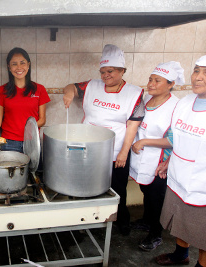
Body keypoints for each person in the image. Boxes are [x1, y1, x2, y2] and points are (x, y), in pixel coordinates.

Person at [63, 44, 144, 235]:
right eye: (102, 72)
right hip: (89, 149)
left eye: (111, 71)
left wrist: (124, 152)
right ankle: (88, 220)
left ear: (122, 70)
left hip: (116, 151)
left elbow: (133, 125)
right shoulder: (91, 85)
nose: (105, 75)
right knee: (88, 186)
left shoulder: (134, 93)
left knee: (117, 189)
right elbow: (72, 87)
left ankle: (121, 220)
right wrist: (68, 93)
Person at [153, 54, 206, 267]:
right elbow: (176, 137)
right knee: (180, 221)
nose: (198, 77)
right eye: (196, 70)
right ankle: (181, 255)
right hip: (179, 175)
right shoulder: (186, 102)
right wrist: (169, 161)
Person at [130, 61, 184, 251]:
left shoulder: (176, 107)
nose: (151, 84)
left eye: (157, 81)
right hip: (142, 158)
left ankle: (155, 234)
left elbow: (173, 141)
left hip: (159, 162)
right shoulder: (147, 99)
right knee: (146, 192)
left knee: (157, 198)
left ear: (170, 84)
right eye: (150, 79)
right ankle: (147, 220)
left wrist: (144, 142)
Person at [0, 47, 50, 153]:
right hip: (9, 142)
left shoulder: (39, 89)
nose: (19, 67)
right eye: (14, 64)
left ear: (28, 65)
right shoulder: (1, 91)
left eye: (22, 63)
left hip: (31, 141)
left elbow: (42, 120)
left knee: (33, 170)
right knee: (11, 170)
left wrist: (28, 131)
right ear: (9, 67)